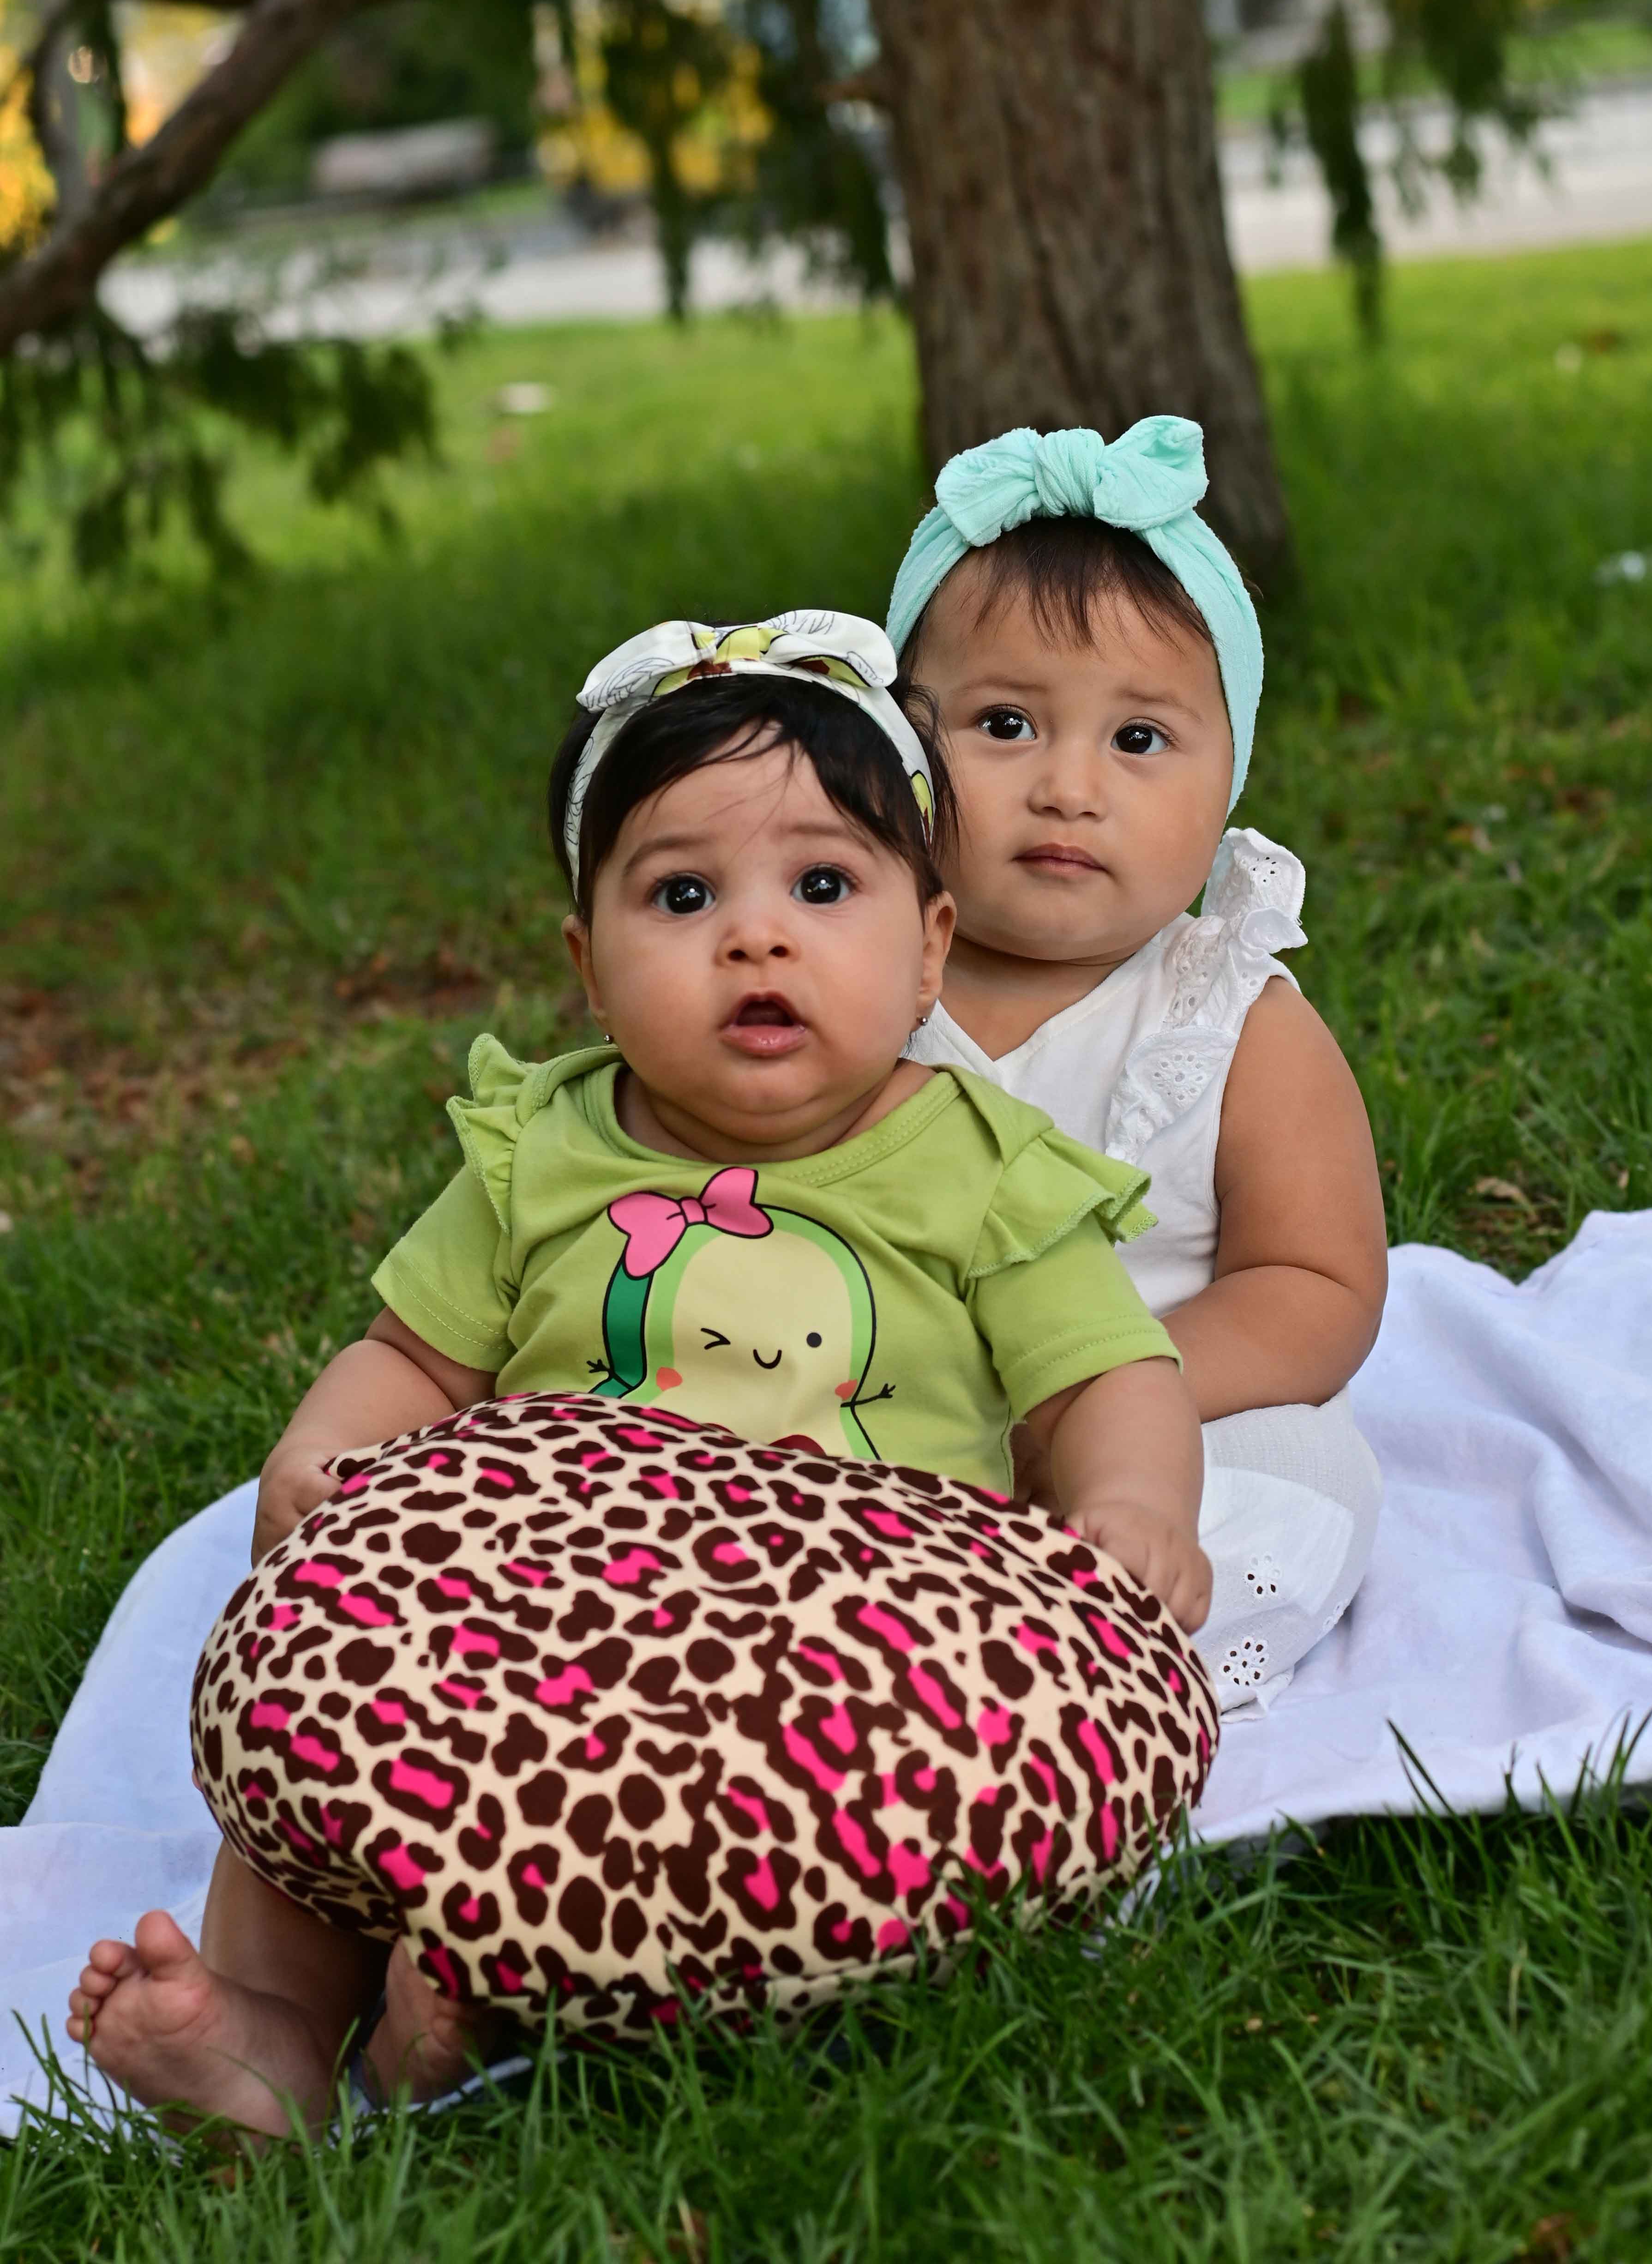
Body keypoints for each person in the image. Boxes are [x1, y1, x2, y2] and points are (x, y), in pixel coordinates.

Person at [67, 609, 1219, 2142]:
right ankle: (272, 2035)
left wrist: (1135, 1507)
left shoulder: (986, 1166)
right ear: (588, 969)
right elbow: (411, 1356)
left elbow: (1106, 1376)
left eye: (824, 887)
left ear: (931, 947)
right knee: (323, 1711)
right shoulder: (540, 1151)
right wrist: (326, 1454)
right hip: (536, 1595)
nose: (756, 937)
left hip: (833, 1623)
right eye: (683, 895)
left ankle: (477, 2017)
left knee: (820, 1802)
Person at [887, 417, 1390, 1710]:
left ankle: (1107, 1682)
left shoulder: (1228, 1021)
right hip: (882, 1417)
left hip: (1175, 1412)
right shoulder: (859, 984)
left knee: (1303, 1483)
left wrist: (1115, 1393)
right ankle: (890, 1663)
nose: (1070, 786)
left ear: (1229, 786)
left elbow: (1316, 1282)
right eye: (1006, 723)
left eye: (1140, 741)